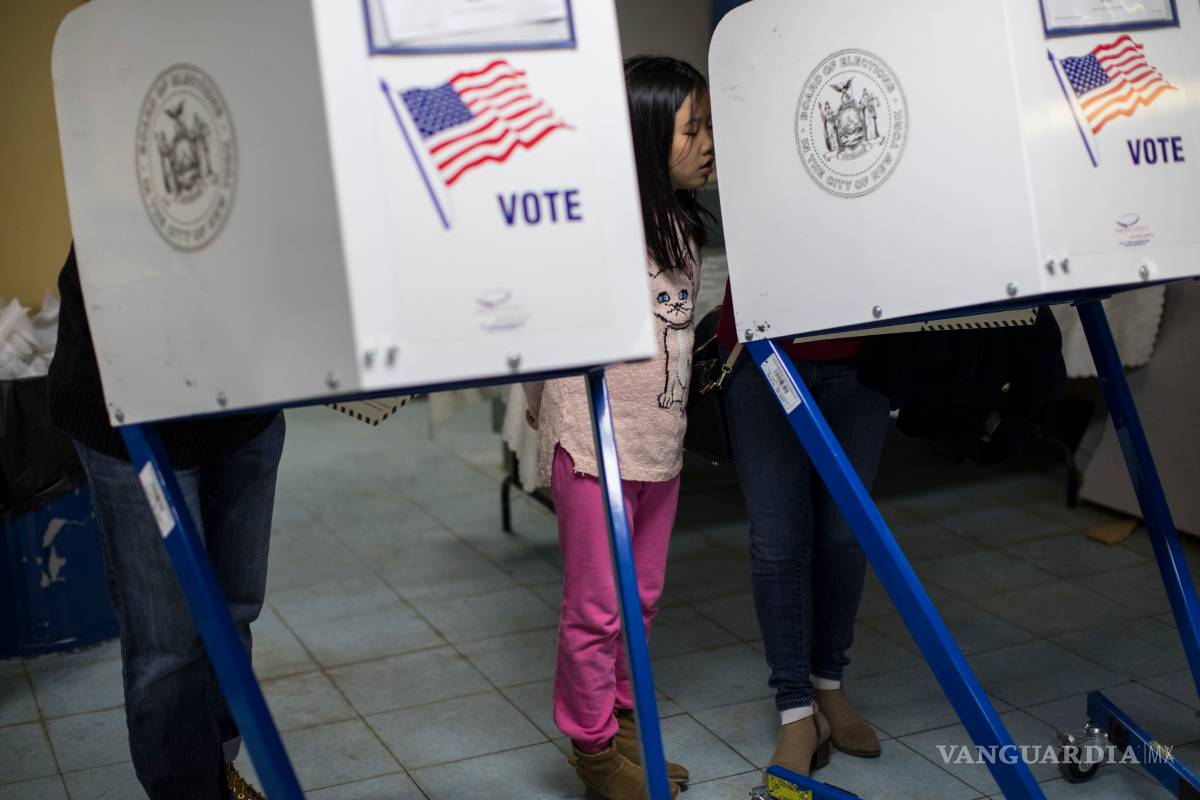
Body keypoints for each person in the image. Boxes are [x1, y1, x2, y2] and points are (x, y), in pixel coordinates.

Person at [523, 55, 715, 800]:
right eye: (691, 130)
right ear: (640, 138)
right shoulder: (600, 227)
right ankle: (595, 749)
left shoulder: (682, 225)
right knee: (597, 608)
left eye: (707, 127)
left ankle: (629, 732)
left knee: (642, 600)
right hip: (593, 444)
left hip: (655, 442)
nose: (708, 143)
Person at [48, 245, 283, 800]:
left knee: (232, 615)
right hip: (133, 409)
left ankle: (218, 771)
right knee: (168, 641)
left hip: (245, 403)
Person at [717, 287, 890, 777]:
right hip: (761, 350)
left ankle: (829, 684)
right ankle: (796, 710)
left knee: (844, 532)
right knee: (776, 541)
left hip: (861, 351)